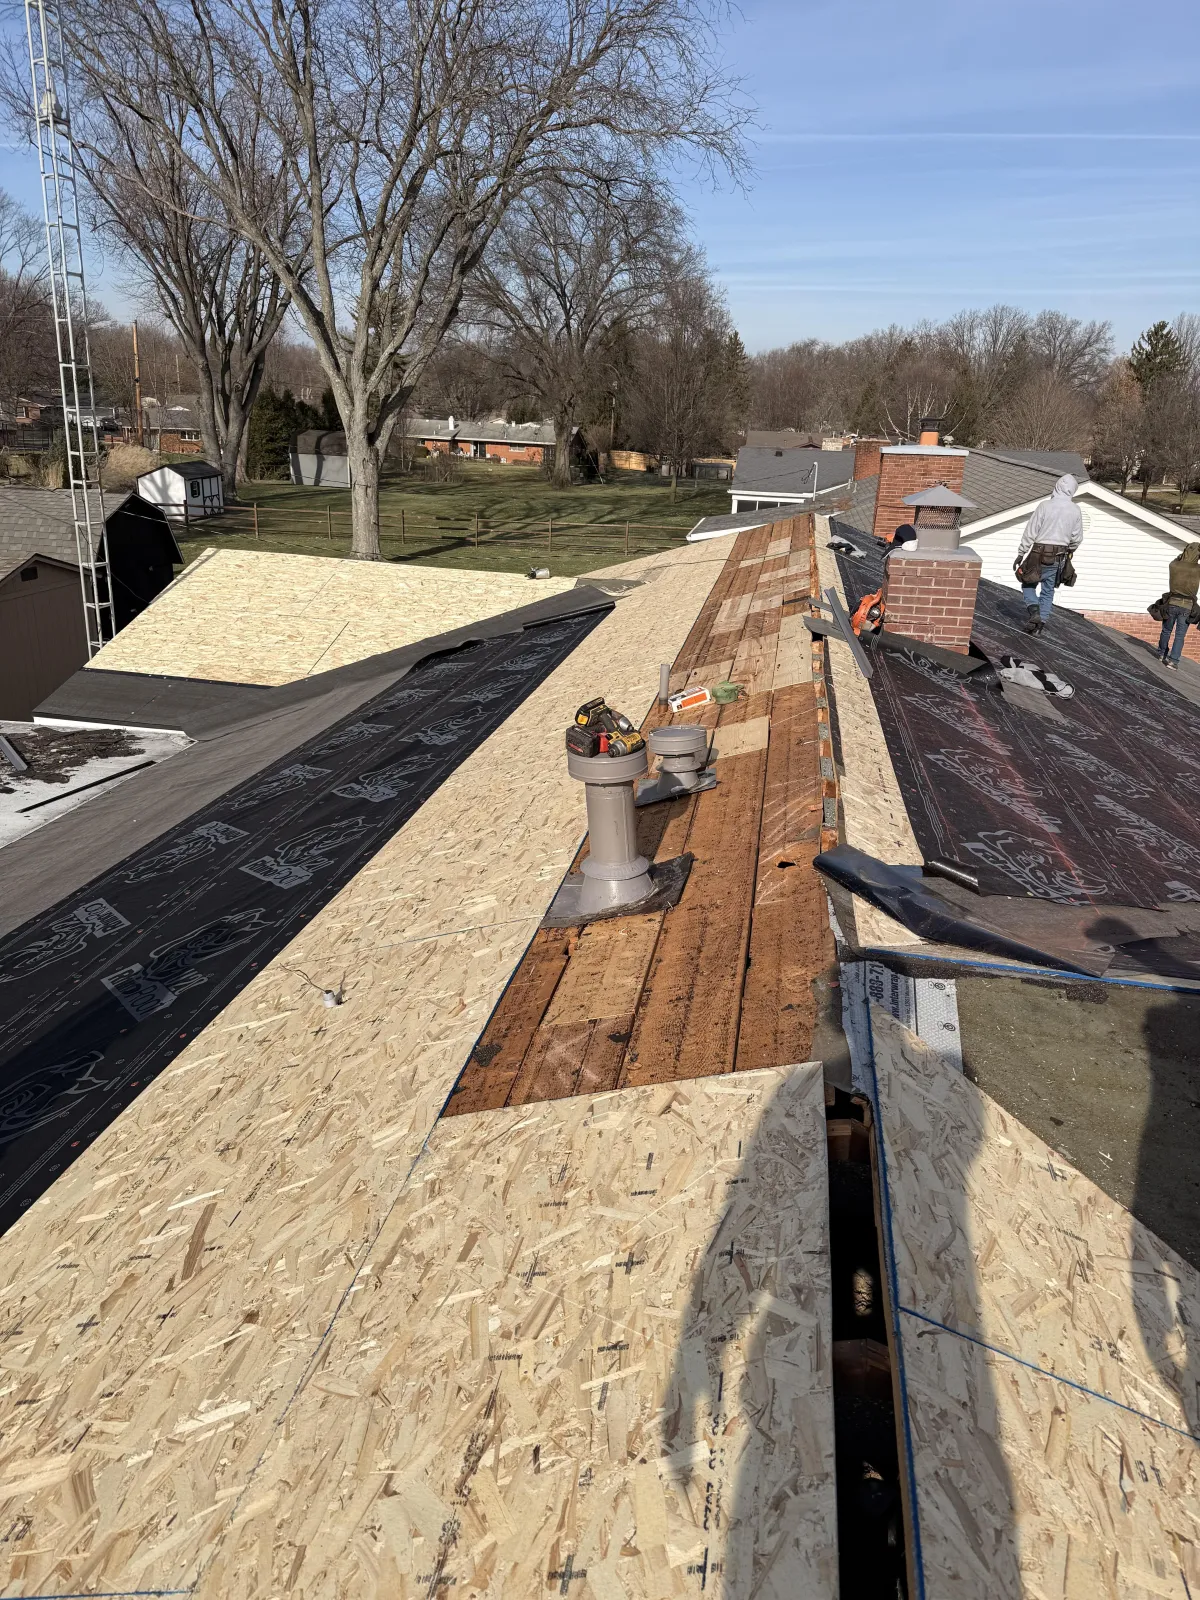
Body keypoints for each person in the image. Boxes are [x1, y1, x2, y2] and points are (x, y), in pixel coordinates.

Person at [1013, 473, 1083, 634]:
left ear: (1057, 486)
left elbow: (1031, 531)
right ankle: (1040, 625)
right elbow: (1077, 538)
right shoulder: (1075, 510)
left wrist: (1021, 553)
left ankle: (1034, 612)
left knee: (1028, 583)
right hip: (1059, 555)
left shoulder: (1045, 506)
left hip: (1037, 553)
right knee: (1048, 589)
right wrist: (1070, 550)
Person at [1158, 541, 1200, 668]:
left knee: (1166, 630)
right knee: (1180, 635)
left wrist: (1181, 556)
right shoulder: (1197, 569)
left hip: (1172, 602)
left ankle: (1162, 654)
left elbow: (1174, 561)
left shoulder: (1174, 565)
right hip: (1187, 606)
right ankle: (1173, 661)